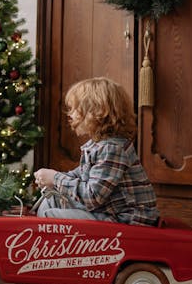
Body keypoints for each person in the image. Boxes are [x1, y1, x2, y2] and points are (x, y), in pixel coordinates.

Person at [33, 77, 159, 226]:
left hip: (128, 220)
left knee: (52, 215)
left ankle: (48, 246)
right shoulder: (97, 145)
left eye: (75, 109)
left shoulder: (112, 148)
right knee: (51, 200)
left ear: (97, 112)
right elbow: (79, 174)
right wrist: (51, 180)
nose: (70, 114)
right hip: (108, 210)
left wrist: (55, 179)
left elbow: (92, 197)